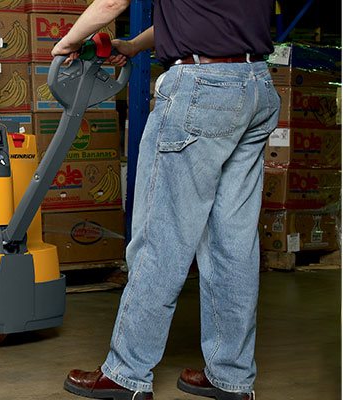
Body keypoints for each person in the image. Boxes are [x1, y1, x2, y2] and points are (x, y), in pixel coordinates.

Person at [53, 0, 278, 399]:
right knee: (234, 243)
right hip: (256, 86)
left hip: (202, 89)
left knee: (161, 237)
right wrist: (135, 45)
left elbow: (110, 2)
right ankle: (231, 376)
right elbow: (209, 18)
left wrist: (69, 40)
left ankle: (126, 372)